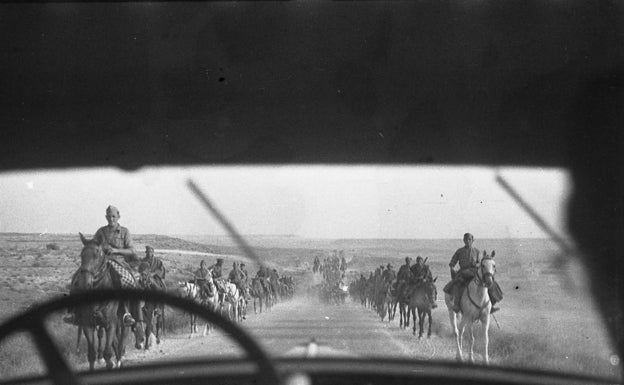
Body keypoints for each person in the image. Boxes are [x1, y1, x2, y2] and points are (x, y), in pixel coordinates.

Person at [444, 233, 498, 313]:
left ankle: (491, 305)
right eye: (466, 239)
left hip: (474, 271)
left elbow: (480, 263)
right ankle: (457, 304)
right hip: (463, 272)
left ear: (473, 241)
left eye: (469, 239)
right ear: (463, 240)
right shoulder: (459, 251)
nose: (467, 241)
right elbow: (452, 262)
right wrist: (452, 268)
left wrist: (476, 264)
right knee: (457, 284)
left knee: (489, 283)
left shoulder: (476, 251)